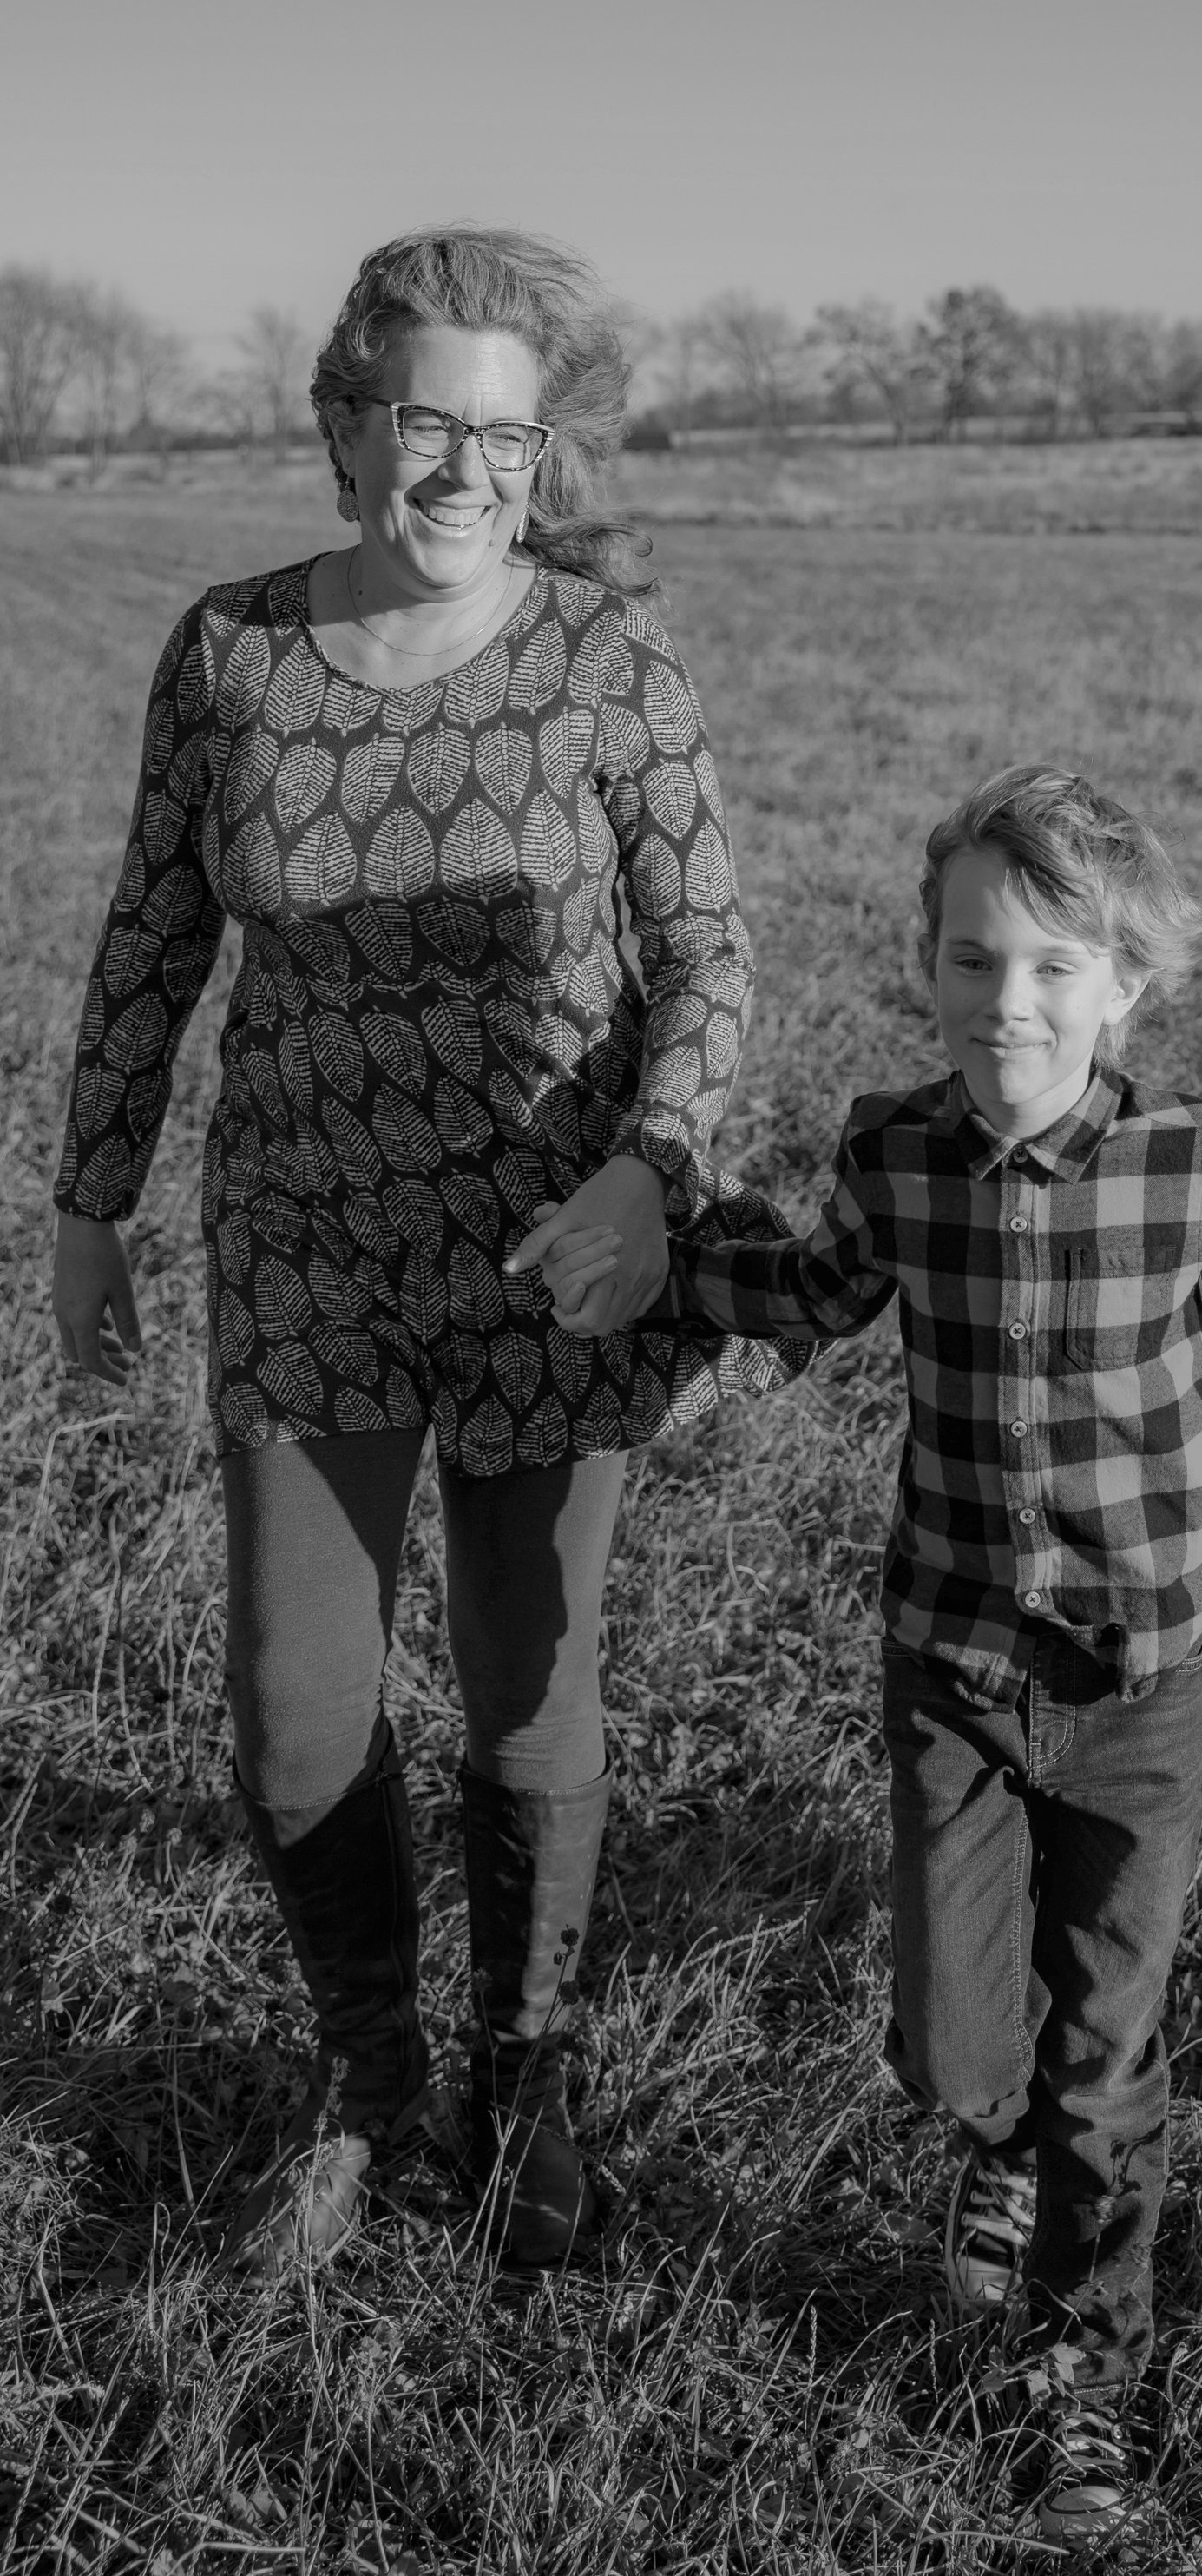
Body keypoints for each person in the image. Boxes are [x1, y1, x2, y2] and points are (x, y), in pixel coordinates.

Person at [522, 764, 1202, 2543]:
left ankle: (1083, 2368)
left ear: (1125, 985)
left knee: (1103, 2054)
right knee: (953, 2059)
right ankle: (992, 2156)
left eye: (1055, 969)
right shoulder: (894, 1155)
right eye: (975, 961)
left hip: (1141, 1688)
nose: (1009, 1005)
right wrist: (657, 1248)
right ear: (927, 966)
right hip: (953, 1674)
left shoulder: (1185, 1163)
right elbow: (811, 1296)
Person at [51, 225, 799, 2280]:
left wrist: (658, 1170)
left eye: (505, 428)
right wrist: (87, 1205)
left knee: (523, 1699)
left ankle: (527, 2076)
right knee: (297, 1715)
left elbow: (708, 956)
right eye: (423, 419)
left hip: (561, 1247)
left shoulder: (606, 661)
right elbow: (148, 943)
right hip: (302, 1248)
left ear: (544, 454)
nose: (463, 464)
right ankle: (369, 2087)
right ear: (346, 423)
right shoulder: (230, 654)